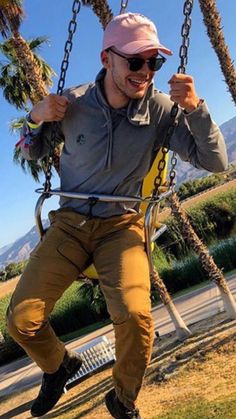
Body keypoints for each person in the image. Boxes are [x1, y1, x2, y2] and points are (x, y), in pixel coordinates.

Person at [7, 12, 227, 419]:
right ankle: (59, 367)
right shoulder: (71, 103)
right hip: (70, 222)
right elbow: (30, 151)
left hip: (121, 226)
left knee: (136, 315)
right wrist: (36, 118)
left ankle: (122, 398)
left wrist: (195, 109)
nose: (145, 73)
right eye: (135, 61)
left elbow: (215, 162)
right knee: (21, 320)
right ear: (107, 58)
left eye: (153, 63)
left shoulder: (162, 111)